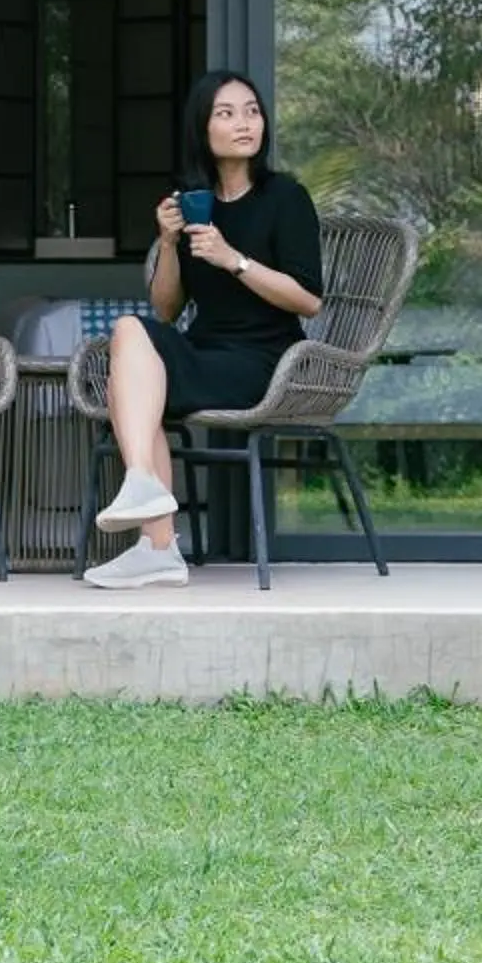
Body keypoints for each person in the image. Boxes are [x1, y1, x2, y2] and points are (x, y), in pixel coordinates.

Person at [83, 70, 325, 589]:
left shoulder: (286, 197)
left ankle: (156, 540)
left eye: (252, 111)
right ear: (203, 129)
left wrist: (233, 259)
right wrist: (168, 245)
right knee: (132, 335)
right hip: (205, 349)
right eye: (227, 113)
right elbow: (167, 310)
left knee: (130, 387)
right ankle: (149, 505)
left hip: (264, 361)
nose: (245, 123)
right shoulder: (196, 202)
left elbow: (308, 299)